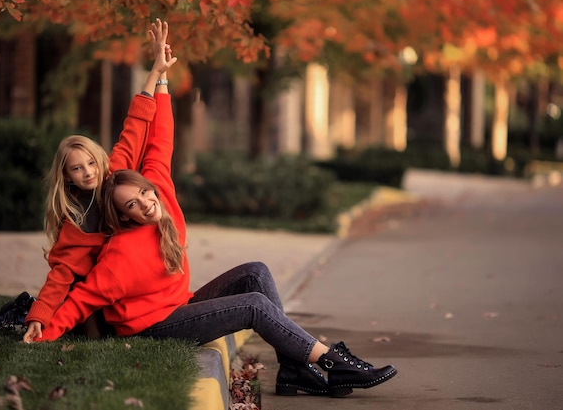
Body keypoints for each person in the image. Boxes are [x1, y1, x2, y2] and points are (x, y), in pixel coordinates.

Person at [30, 39, 397, 399]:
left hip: (178, 302)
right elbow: (78, 293)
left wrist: (160, 80)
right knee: (253, 305)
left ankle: (293, 369)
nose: (144, 203)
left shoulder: (149, 186)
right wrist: (41, 326)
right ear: (121, 217)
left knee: (256, 272)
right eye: (132, 205)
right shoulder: (115, 248)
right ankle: (330, 362)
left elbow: (153, 134)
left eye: (144, 193)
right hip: (153, 326)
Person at [21, 19, 177, 342]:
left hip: (123, 283)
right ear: (66, 176)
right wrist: (39, 316)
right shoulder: (76, 221)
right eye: (77, 169)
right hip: (93, 293)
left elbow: (135, 124)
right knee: (89, 324)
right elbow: (61, 274)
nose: (88, 172)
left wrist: (156, 73)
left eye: (91, 162)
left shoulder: (115, 173)